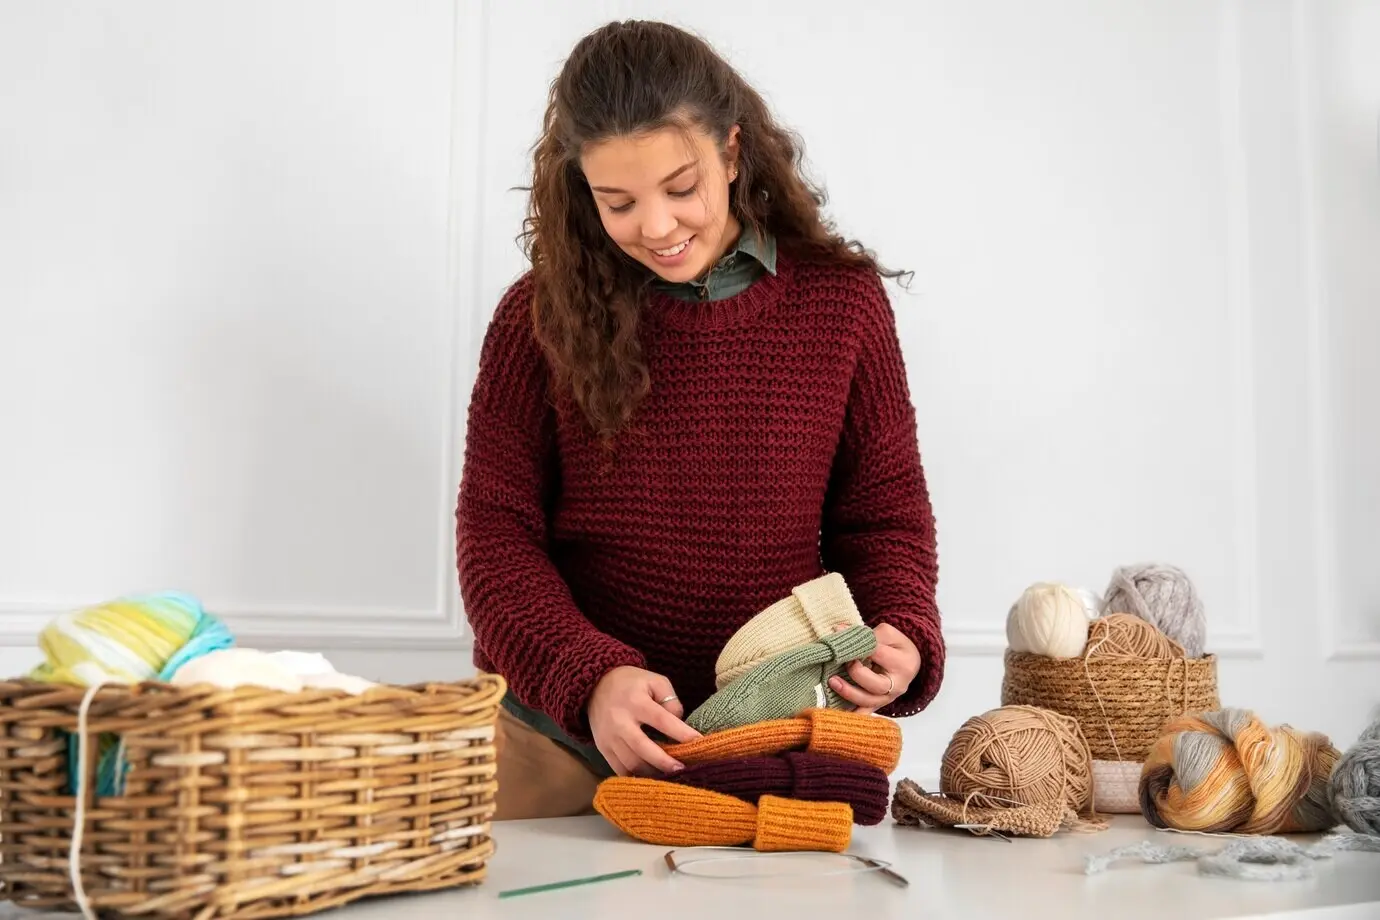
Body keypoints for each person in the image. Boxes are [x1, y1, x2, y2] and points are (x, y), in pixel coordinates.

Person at [455, 19, 943, 821]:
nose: (655, 225)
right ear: (582, 190)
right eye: (618, 201)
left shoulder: (842, 306)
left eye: (681, 188)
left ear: (730, 151)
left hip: (774, 746)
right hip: (564, 745)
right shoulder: (535, 319)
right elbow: (494, 538)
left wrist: (904, 634)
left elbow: (884, 515)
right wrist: (590, 679)